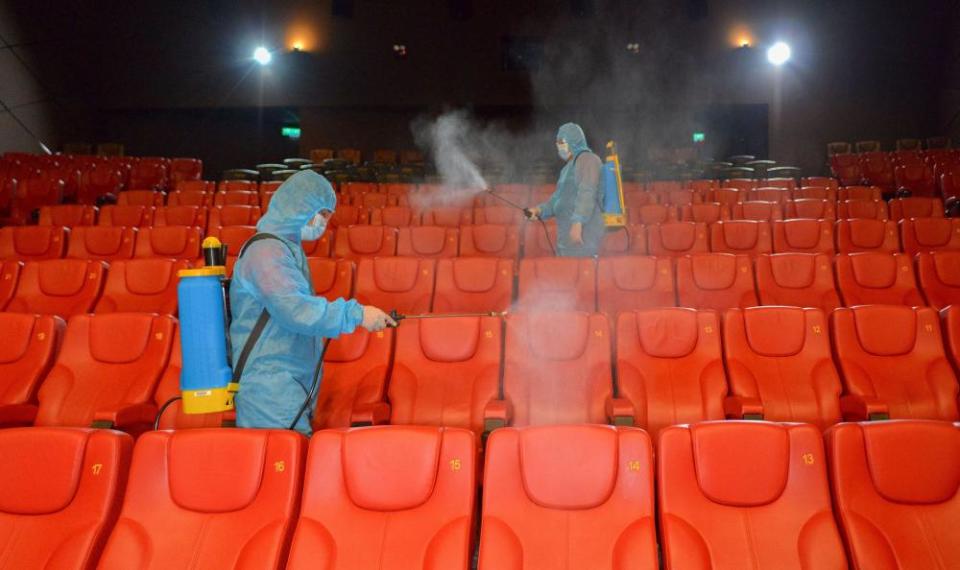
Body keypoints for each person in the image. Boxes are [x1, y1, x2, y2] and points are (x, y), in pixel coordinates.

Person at [229, 170, 395, 435]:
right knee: (280, 468)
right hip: (270, 389)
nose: (324, 223)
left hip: (286, 385)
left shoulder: (284, 248)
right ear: (300, 206)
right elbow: (295, 310)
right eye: (323, 213)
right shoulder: (267, 252)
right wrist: (357, 314)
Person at [527, 122, 604, 257]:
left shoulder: (588, 160)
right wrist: (539, 210)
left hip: (582, 237)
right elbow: (557, 199)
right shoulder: (567, 169)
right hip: (565, 239)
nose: (559, 146)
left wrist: (578, 223)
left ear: (573, 141)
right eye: (557, 142)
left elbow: (587, 193)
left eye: (562, 142)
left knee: (582, 274)